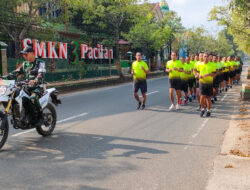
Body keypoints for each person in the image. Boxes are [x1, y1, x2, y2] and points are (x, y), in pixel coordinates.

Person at [16, 46, 46, 125]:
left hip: (38, 87)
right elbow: (15, 73)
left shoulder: (40, 63)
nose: (24, 56)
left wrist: (36, 80)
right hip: (26, 87)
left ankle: (40, 117)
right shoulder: (24, 64)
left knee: (33, 98)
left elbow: (41, 74)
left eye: (26, 54)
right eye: (23, 55)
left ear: (32, 54)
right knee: (18, 97)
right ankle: (24, 116)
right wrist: (4, 78)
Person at [199, 53, 216, 117]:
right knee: (202, 96)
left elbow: (214, 74)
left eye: (207, 56)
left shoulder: (212, 65)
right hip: (202, 83)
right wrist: (198, 75)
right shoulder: (200, 64)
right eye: (204, 56)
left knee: (208, 97)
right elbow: (195, 70)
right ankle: (202, 109)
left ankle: (208, 110)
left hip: (209, 83)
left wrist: (208, 74)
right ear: (202, 57)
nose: (205, 58)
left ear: (209, 58)